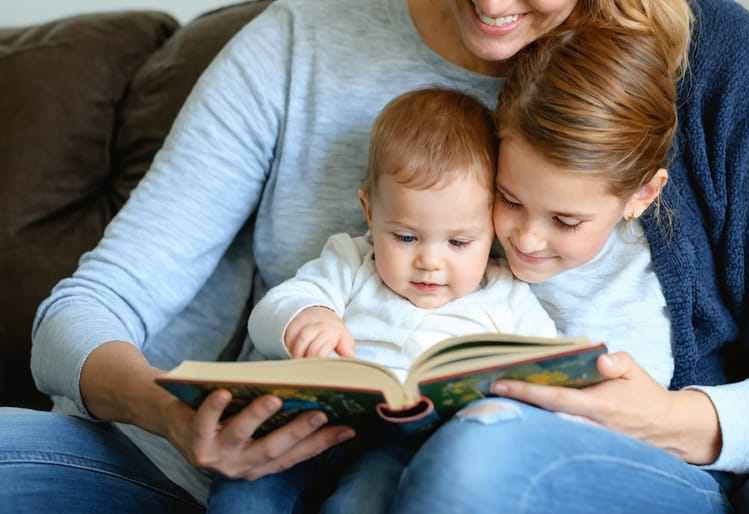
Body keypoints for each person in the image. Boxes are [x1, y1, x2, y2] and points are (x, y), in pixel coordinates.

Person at [0, 0, 749, 512]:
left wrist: (688, 421)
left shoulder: (706, 56)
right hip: (279, 459)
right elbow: (83, 313)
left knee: (472, 462)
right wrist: (163, 408)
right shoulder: (293, 44)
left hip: (575, 458)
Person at [389, 18, 749, 514]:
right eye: (508, 200)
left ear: (643, 194)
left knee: (470, 462)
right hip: (473, 438)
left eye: (566, 220)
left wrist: (677, 418)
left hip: (658, 469)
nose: (527, 237)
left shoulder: (722, 66)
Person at [205, 86, 558, 513]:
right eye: (406, 237)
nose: (429, 261)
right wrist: (306, 318)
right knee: (242, 497)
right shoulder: (353, 261)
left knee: (363, 502)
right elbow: (271, 313)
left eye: (459, 241)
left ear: (493, 226)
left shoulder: (506, 294)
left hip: (405, 446)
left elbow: (549, 374)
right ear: (370, 211)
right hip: (312, 421)